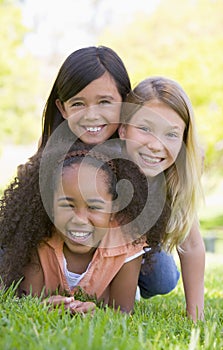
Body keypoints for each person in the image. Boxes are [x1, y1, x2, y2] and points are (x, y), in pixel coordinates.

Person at [36, 45, 181, 299]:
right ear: (63, 108)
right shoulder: (57, 151)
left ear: (124, 101)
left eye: (105, 102)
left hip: (126, 238)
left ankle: (118, 279)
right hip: (74, 232)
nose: (92, 115)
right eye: (78, 103)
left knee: (162, 277)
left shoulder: (136, 142)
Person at [0, 141, 153, 314]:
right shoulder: (36, 236)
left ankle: (136, 291)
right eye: (67, 205)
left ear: (113, 210)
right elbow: (28, 301)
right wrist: (43, 306)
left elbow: (123, 312)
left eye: (94, 207)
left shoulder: (127, 244)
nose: (79, 219)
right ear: (50, 207)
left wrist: (98, 314)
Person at [118, 76, 205, 321]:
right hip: (95, 244)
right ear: (123, 128)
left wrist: (195, 315)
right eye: (145, 129)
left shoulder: (175, 177)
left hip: (141, 246)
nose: (156, 145)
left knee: (162, 277)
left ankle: (133, 281)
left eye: (171, 134)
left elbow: (193, 245)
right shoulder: (103, 164)